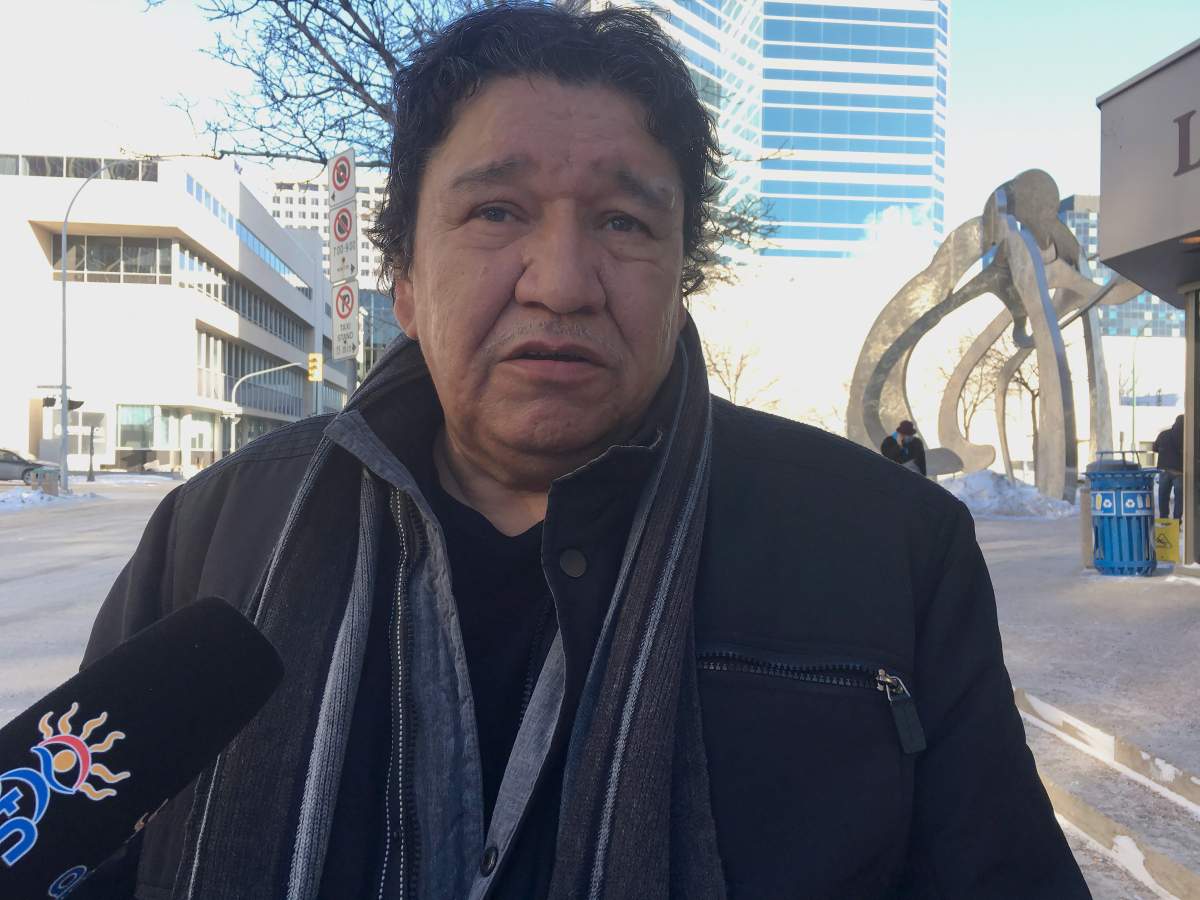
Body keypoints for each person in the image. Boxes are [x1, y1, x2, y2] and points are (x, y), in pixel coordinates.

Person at [76, 6, 1088, 899]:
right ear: (406, 282)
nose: (560, 281)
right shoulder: (213, 536)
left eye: (622, 220)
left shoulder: (893, 552)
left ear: (679, 273)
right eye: (496, 212)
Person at [1153, 414, 1185, 519]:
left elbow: (1154, 448)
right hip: (1179, 472)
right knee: (1179, 498)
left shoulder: (1164, 434)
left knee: (1163, 495)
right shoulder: (1187, 436)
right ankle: (1177, 520)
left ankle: (1163, 518)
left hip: (1164, 470)